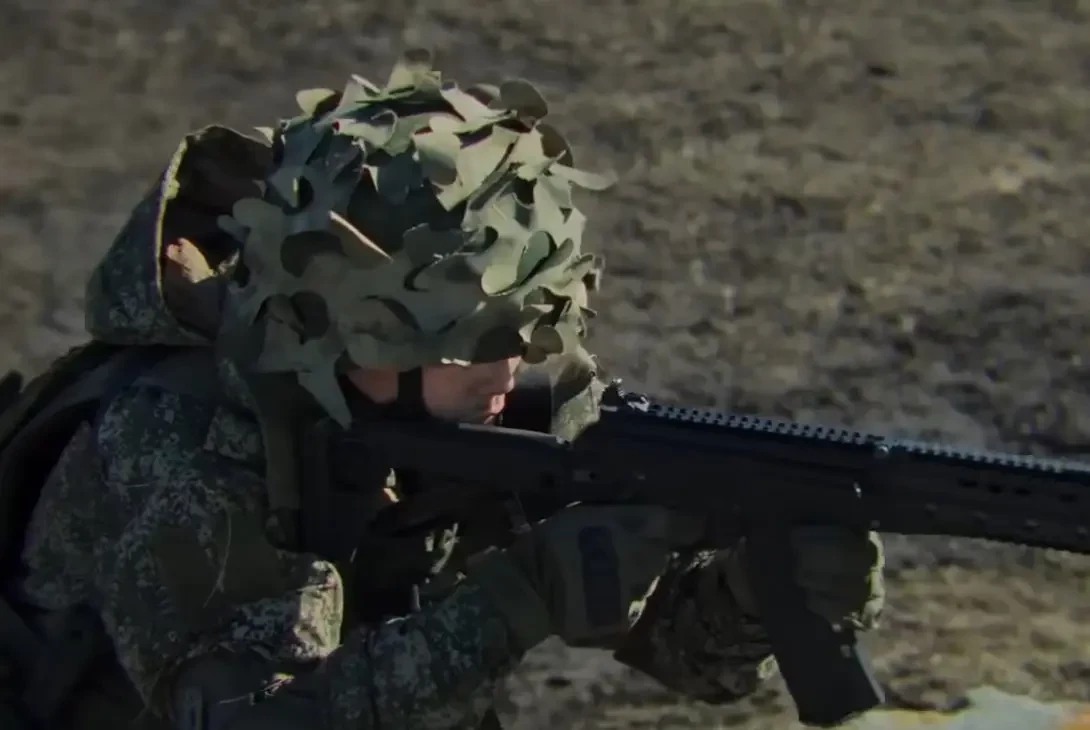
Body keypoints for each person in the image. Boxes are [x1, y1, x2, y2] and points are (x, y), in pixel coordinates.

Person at [3, 50, 884, 730]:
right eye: (471, 338)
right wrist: (517, 599)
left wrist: (761, 592)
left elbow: (687, 655)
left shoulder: (470, 416)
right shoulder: (176, 443)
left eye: (530, 325)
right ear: (342, 329)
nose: (512, 362)